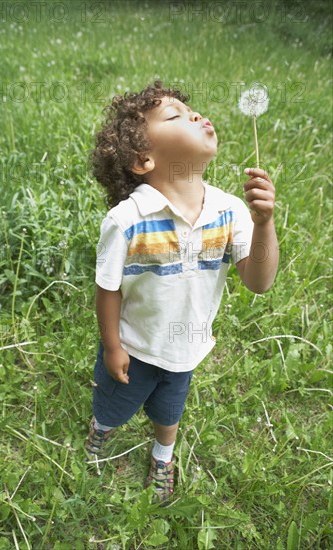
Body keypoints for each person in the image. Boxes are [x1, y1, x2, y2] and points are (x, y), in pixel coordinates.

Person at [86, 80, 279, 504]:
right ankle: (99, 431)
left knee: (169, 413)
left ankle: (163, 455)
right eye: (173, 115)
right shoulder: (127, 220)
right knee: (113, 406)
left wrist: (264, 223)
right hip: (134, 347)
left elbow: (259, 282)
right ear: (144, 160)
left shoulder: (230, 211)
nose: (193, 114)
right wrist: (112, 346)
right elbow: (108, 289)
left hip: (186, 349)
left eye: (189, 109)